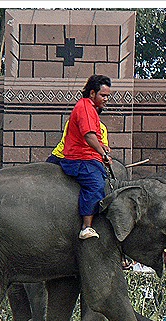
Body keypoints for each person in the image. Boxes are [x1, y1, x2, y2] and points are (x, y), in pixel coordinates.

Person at [59, 74, 112, 240]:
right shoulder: (84, 107)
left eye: (108, 96)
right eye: (103, 95)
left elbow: (97, 137)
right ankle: (86, 227)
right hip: (79, 158)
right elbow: (89, 136)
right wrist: (102, 154)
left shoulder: (92, 110)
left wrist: (104, 148)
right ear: (92, 94)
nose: (106, 99)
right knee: (95, 185)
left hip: (89, 157)